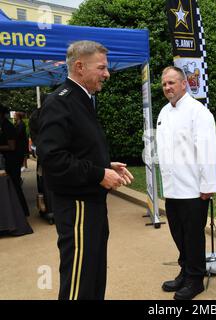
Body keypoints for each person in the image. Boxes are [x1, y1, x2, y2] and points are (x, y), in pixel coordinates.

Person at [37, 40, 134, 300]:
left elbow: (78, 149)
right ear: (80, 66)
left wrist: (106, 166)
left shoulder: (83, 99)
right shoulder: (60, 102)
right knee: (79, 280)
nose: (107, 73)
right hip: (77, 205)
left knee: (92, 273)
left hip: (90, 203)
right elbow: (53, 159)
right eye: (101, 67)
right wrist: (99, 174)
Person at [156, 66, 216, 300]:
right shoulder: (163, 112)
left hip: (193, 189)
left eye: (171, 83)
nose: (167, 87)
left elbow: (207, 151)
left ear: (184, 84)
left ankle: (195, 279)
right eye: (164, 84)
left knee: (192, 236)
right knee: (178, 233)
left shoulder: (197, 112)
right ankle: (185, 270)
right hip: (173, 188)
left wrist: (207, 185)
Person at [0, 105, 30, 216]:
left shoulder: (7, 126)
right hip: (11, 159)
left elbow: (12, 146)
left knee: (14, 185)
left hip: (12, 160)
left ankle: (22, 211)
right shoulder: (5, 125)